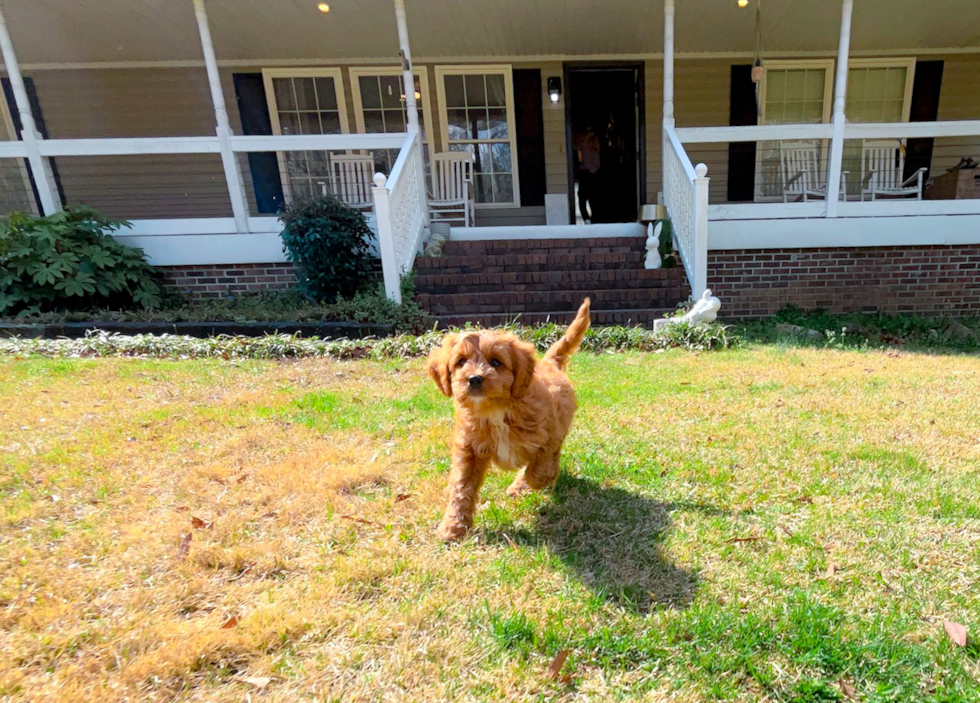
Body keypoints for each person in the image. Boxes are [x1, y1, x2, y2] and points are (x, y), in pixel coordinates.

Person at [573, 124, 600, 224]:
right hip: (594, 173)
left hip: (584, 172)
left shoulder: (581, 144)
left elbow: (580, 159)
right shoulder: (595, 143)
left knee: (582, 197)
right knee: (593, 197)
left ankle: (586, 219)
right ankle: (594, 218)